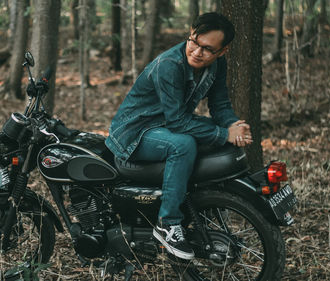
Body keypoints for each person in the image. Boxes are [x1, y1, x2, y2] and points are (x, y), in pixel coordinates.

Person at [105, 12, 253, 260]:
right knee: (183, 145)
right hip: (135, 133)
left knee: (213, 142)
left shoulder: (217, 64)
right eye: (193, 41)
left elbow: (220, 105)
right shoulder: (170, 65)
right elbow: (177, 121)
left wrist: (234, 127)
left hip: (165, 126)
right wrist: (223, 133)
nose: (196, 51)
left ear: (222, 51)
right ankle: (168, 224)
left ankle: (202, 207)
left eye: (207, 48)